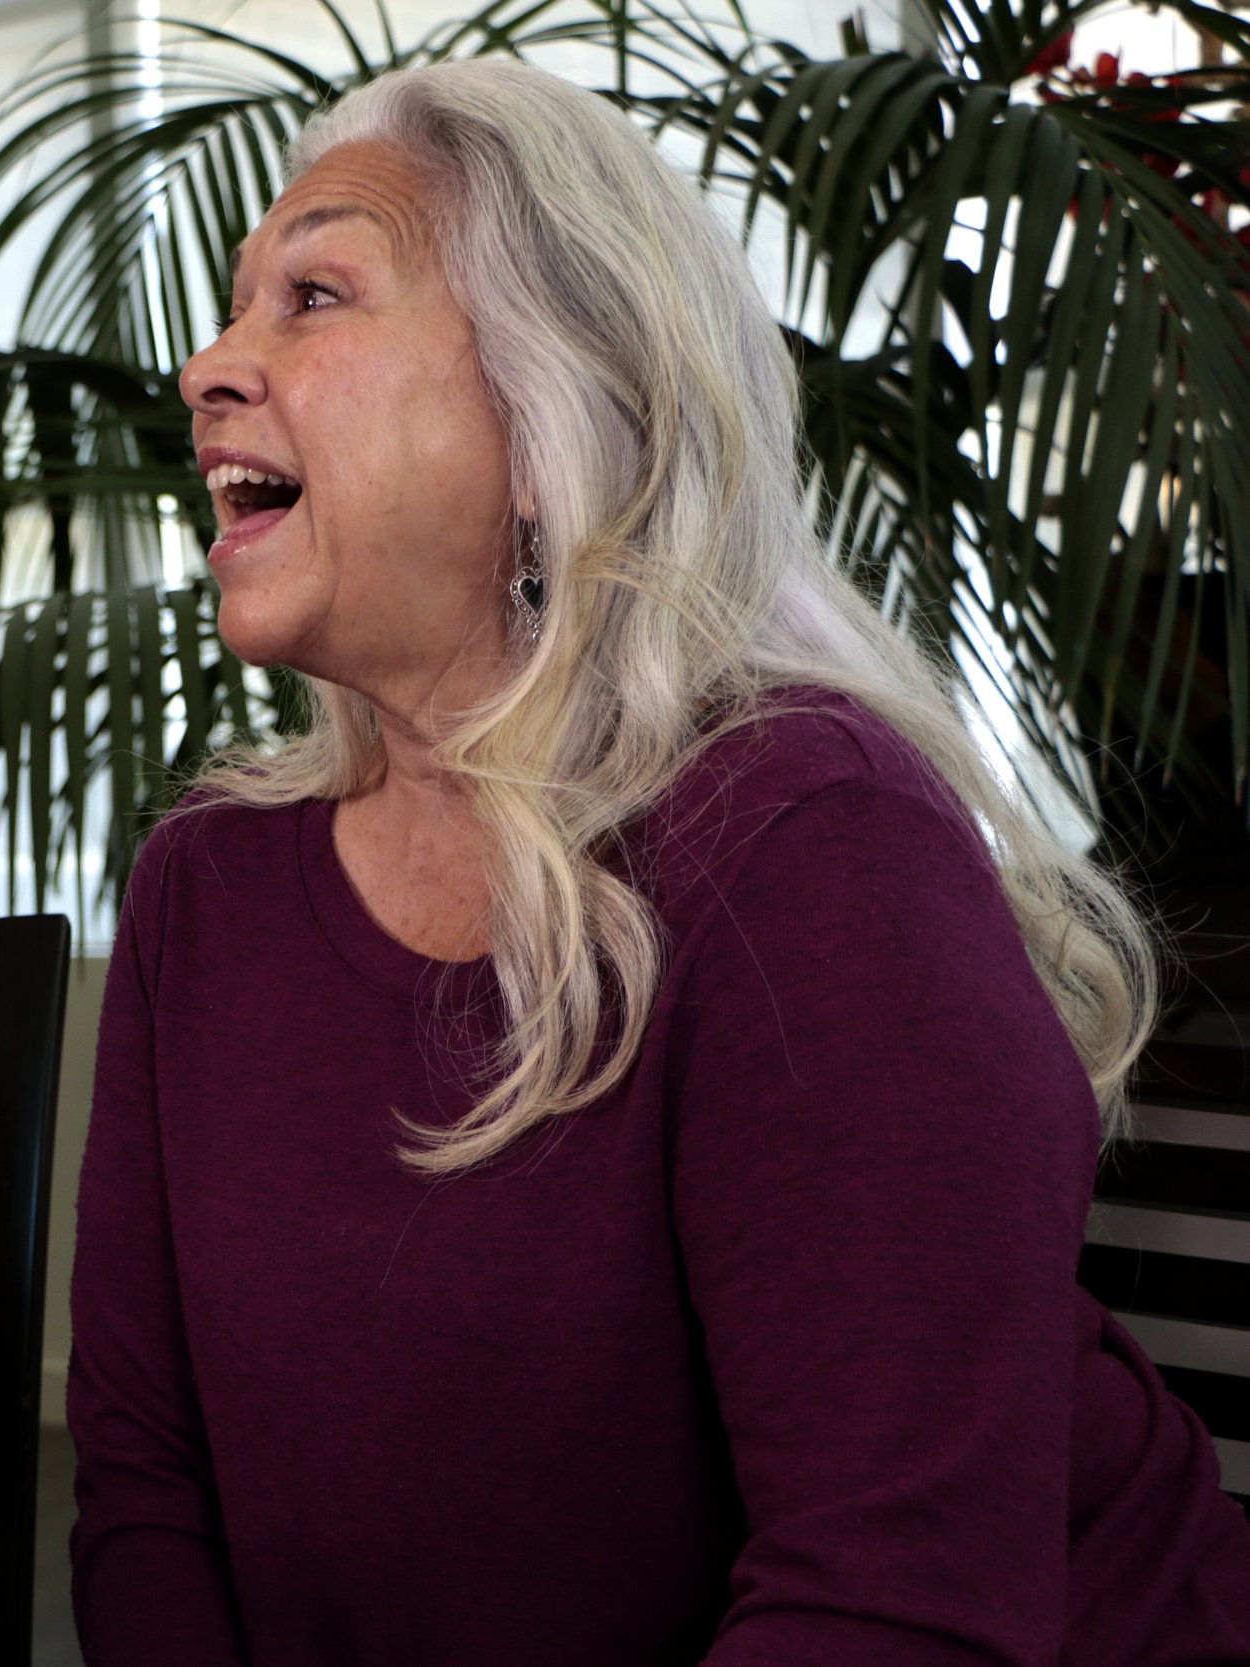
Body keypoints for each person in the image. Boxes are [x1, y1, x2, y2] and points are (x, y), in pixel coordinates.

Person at [68, 55, 1250, 1667]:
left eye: (315, 296)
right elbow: (146, 1489)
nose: (208, 367)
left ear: (561, 401)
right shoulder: (207, 890)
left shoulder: (812, 843)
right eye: (230, 309)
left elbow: (892, 1602)